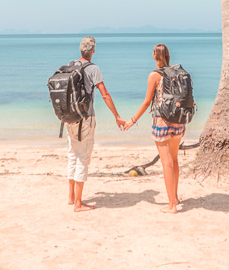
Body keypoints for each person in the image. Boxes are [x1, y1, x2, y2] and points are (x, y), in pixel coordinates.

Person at [124, 43, 185, 214]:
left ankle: (171, 205)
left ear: (155, 56)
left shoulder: (154, 75)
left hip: (162, 122)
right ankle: (175, 197)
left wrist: (132, 120)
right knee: (174, 160)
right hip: (178, 121)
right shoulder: (176, 72)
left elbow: (146, 102)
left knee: (166, 163)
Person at [67, 36, 125, 213]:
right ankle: (78, 203)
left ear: (80, 50)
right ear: (93, 51)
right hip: (86, 117)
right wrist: (117, 116)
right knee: (83, 157)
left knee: (72, 154)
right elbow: (105, 94)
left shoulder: (71, 66)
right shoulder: (93, 69)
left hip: (70, 117)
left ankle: (71, 198)